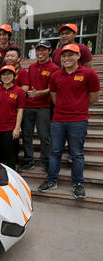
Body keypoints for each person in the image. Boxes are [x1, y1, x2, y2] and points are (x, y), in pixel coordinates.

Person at [38, 44, 100, 199]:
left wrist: (79, 107)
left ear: (78, 56)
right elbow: (54, 95)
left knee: (77, 153)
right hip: (58, 119)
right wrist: (63, 107)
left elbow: (94, 97)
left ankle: (77, 183)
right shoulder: (55, 76)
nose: (66, 58)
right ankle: (52, 180)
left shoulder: (89, 73)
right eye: (64, 56)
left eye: (70, 55)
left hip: (78, 120)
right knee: (55, 151)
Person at [20, 40, 59, 172]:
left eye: (43, 49)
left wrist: (38, 93)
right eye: (38, 50)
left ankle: (46, 162)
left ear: (50, 51)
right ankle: (29, 160)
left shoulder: (54, 68)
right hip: (28, 106)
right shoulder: (31, 67)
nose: (40, 52)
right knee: (27, 135)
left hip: (43, 107)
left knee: (44, 136)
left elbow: (52, 89)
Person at [0, 65, 25, 170]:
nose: (6, 77)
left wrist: (17, 128)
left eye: (9, 74)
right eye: (3, 74)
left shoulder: (19, 91)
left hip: (10, 128)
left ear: (14, 76)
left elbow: (20, 110)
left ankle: (11, 180)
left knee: (10, 156)